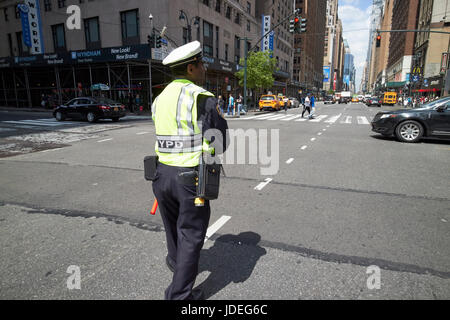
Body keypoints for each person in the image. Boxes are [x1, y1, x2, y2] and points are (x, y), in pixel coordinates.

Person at [151, 40, 229, 300]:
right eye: (201, 64)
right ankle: (179, 296)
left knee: (172, 228)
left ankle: (176, 264)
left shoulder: (159, 98)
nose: (204, 68)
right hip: (190, 179)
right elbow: (220, 141)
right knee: (192, 234)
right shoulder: (201, 97)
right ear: (191, 68)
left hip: (161, 175)